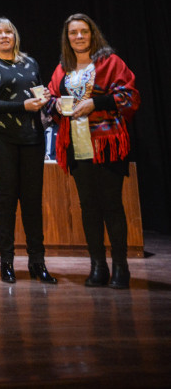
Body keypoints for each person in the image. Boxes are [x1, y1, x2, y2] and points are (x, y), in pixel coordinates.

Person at [48, 14, 140, 289]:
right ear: (67, 38)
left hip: (107, 141)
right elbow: (52, 97)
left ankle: (121, 267)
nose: (78, 37)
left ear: (92, 34)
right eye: (73, 33)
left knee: (111, 204)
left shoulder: (110, 62)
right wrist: (52, 104)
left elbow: (130, 96)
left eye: (83, 32)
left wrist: (95, 103)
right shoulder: (63, 67)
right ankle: (97, 266)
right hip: (75, 144)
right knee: (88, 206)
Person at [0, 17, 55, 284]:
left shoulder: (30, 62)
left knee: (32, 201)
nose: (4, 36)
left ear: (15, 35)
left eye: (9, 31)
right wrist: (23, 107)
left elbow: (40, 92)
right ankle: (6, 262)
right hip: (0, 139)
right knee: (6, 200)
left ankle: (37, 262)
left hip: (32, 138)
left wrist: (44, 101)